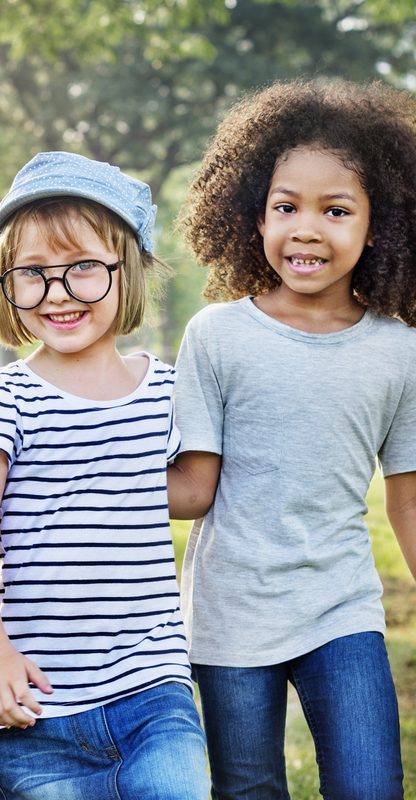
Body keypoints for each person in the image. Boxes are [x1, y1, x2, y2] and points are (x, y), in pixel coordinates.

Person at [172, 79, 416, 798]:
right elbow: (193, 486)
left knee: (371, 785)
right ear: (253, 217)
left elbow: (407, 500)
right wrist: (78, 486)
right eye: (286, 207)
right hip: (229, 613)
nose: (306, 229)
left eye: (335, 210)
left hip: (342, 604)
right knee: (248, 790)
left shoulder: (400, 351)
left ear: (378, 227)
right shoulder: (215, 335)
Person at [0, 151, 209, 799]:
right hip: (37, 706)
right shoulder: (3, 400)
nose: (58, 293)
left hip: (153, 687)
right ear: (6, 283)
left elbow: (194, 494)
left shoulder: (172, 393)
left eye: (83, 269)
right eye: (33, 274)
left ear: (128, 270)